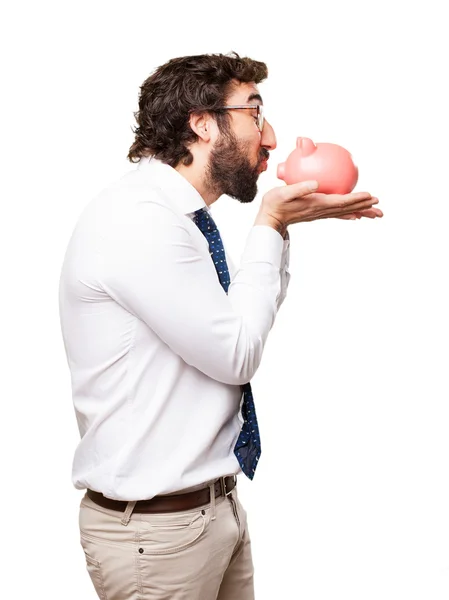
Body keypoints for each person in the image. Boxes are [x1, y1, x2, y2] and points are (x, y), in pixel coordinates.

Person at [58, 51, 382, 600]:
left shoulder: (174, 217)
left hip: (211, 511)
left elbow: (234, 330)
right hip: (157, 536)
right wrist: (271, 223)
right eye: (254, 112)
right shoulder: (139, 221)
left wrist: (277, 230)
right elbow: (237, 353)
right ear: (202, 123)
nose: (273, 136)